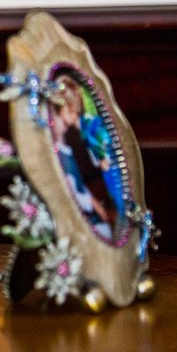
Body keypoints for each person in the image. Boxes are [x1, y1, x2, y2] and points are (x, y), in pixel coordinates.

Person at [50, 84, 114, 240]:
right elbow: (72, 190)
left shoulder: (88, 128)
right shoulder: (60, 153)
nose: (52, 121)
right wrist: (93, 204)